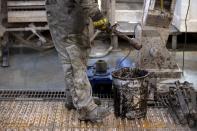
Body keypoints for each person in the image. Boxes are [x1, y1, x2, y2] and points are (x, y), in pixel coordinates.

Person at [45, 0, 111, 122]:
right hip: (66, 20)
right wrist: (96, 15)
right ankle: (86, 109)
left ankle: (74, 99)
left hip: (69, 15)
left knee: (76, 58)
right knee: (74, 61)